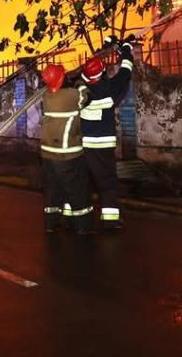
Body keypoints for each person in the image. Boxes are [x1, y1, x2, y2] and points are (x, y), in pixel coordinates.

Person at [78, 34, 135, 230]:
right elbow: (126, 71)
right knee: (107, 183)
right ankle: (110, 221)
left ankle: (77, 219)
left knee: (82, 182)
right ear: (103, 73)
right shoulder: (110, 89)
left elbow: (83, 72)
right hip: (102, 146)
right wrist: (125, 49)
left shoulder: (80, 90)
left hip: (83, 146)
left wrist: (105, 49)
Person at [39, 63, 94, 235]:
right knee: (78, 190)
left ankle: (50, 224)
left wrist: (65, 80)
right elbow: (87, 96)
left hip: (48, 152)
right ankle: (83, 226)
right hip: (67, 153)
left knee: (53, 190)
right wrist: (78, 82)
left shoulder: (46, 96)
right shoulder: (71, 95)